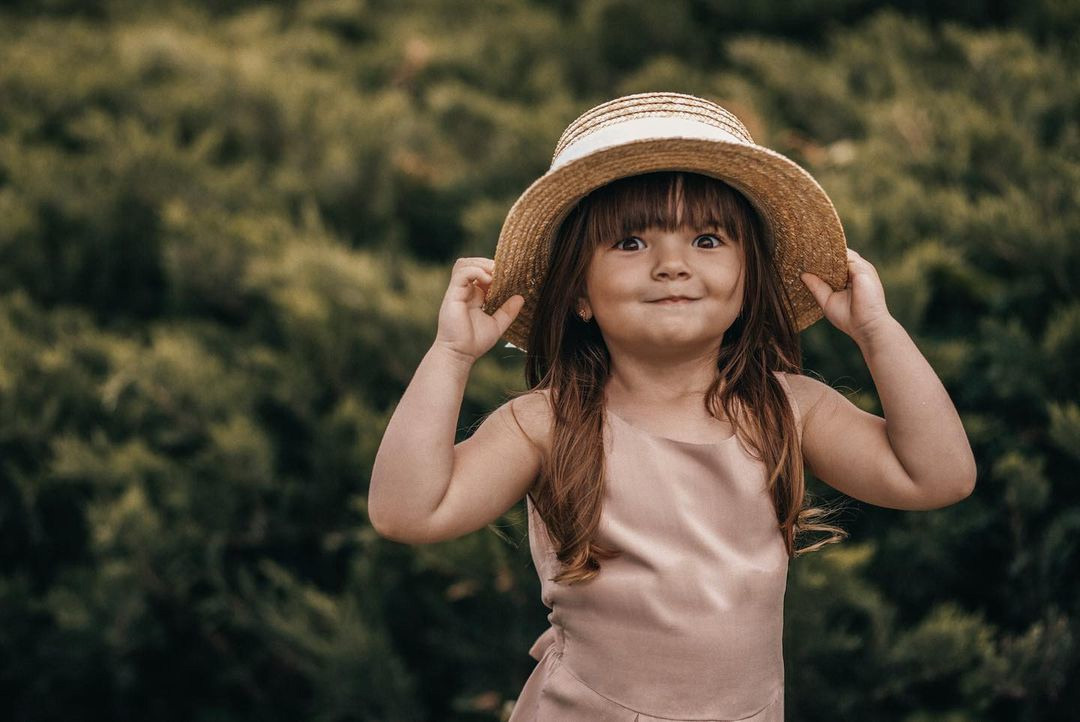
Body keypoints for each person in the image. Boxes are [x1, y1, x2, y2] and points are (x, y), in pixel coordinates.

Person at [368, 92, 977, 721]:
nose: (672, 266)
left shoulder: (786, 410)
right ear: (579, 292)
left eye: (708, 240)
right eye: (630, 243)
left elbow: (938, 476)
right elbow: (408, 513)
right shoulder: (547, 423)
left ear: (749, 281)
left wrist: (878, 332)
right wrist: (450, 354)